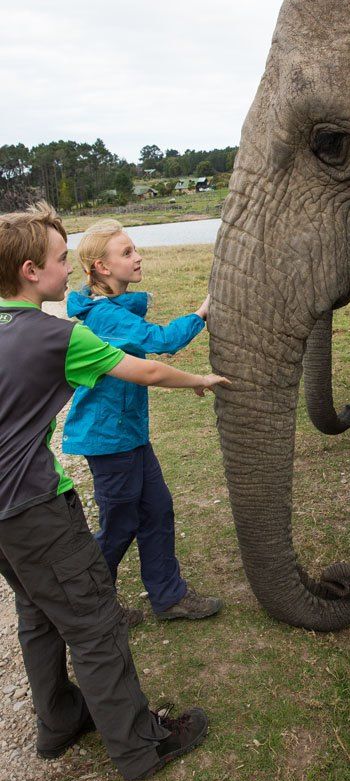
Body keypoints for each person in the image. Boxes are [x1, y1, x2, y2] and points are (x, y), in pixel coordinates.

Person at [0, 202, 228, 781]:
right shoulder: (58, 334)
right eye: (58, 259)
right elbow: (148, 367)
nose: (66, 269)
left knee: (38, 610)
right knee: (94, 620)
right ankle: (139, 745)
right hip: (31, 505)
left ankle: (58, 722)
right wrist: (200, 378)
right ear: (30, 271)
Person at [62, 218, 221, 624]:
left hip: (128, 434)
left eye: (135, 249)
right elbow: (161, 342)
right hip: (107, 441)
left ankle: (168, 597)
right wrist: (202, 312)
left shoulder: (113, 309)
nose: (138, 257)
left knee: (157, 510)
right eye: (127, 253)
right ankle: (90, 606)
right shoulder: (106, 316)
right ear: (101, 267)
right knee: (119, 526)